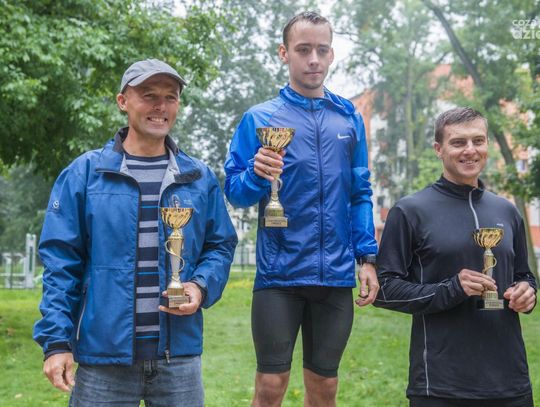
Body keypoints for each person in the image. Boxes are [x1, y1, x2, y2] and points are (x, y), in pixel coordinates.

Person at [33, 58, 238, 406]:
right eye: (149, 95)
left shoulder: (198, 177)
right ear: (122, 101)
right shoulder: (85, 173)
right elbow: (60, 264)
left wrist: (200, 286)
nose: (161, 106)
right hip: (103, 360)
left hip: (179, 360)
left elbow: (220, 245)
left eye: (170, 97)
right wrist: (56, 343)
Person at [224, 11, 379, 407]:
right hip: (279, 275)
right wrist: (256, 174)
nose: (313, 59)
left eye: (321, 50)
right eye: (303, 49)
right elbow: (235, 193)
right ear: (284, 53)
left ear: (331, 54)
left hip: (335, 276)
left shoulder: (348, 117)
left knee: (324, 389)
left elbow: (360, 192)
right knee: (270, 386)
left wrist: (367, 258)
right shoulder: (260, 118)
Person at [374, 107, 537, 407]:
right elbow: (383, 290)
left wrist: (528, 292)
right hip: (440, 386)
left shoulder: (507, 211)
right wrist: (451, 289)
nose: (470, 150)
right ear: (439, 149)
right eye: (458, 142)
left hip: (510, 384)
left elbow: (523, 275)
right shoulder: (410, 211)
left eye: (478, 140)